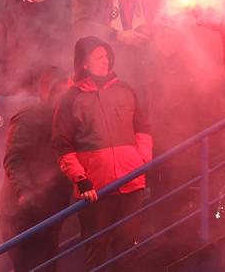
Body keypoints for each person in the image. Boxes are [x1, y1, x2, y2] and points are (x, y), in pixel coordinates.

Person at [52, 36, 153, 269]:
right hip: (96, 190)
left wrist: (143, 162)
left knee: (127, 249)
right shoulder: (71, 98)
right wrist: (81, 179)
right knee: (96, 251)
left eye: (106, 56)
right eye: (98, 57)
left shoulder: (125, 90)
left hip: (131, 184)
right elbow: (62, 144)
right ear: (84, 63)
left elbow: (143, 128)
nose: (105, 60)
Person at [0, 67, 73, 272]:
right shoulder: (30, 118)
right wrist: (26, 192)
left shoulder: (68, 122)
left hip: (49, 209)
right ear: (46, 93)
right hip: (21, 211)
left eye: (66, 91)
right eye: (57, 91)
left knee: (47, 266)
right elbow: (14, 158)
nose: (63, 97)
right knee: (31, 266)